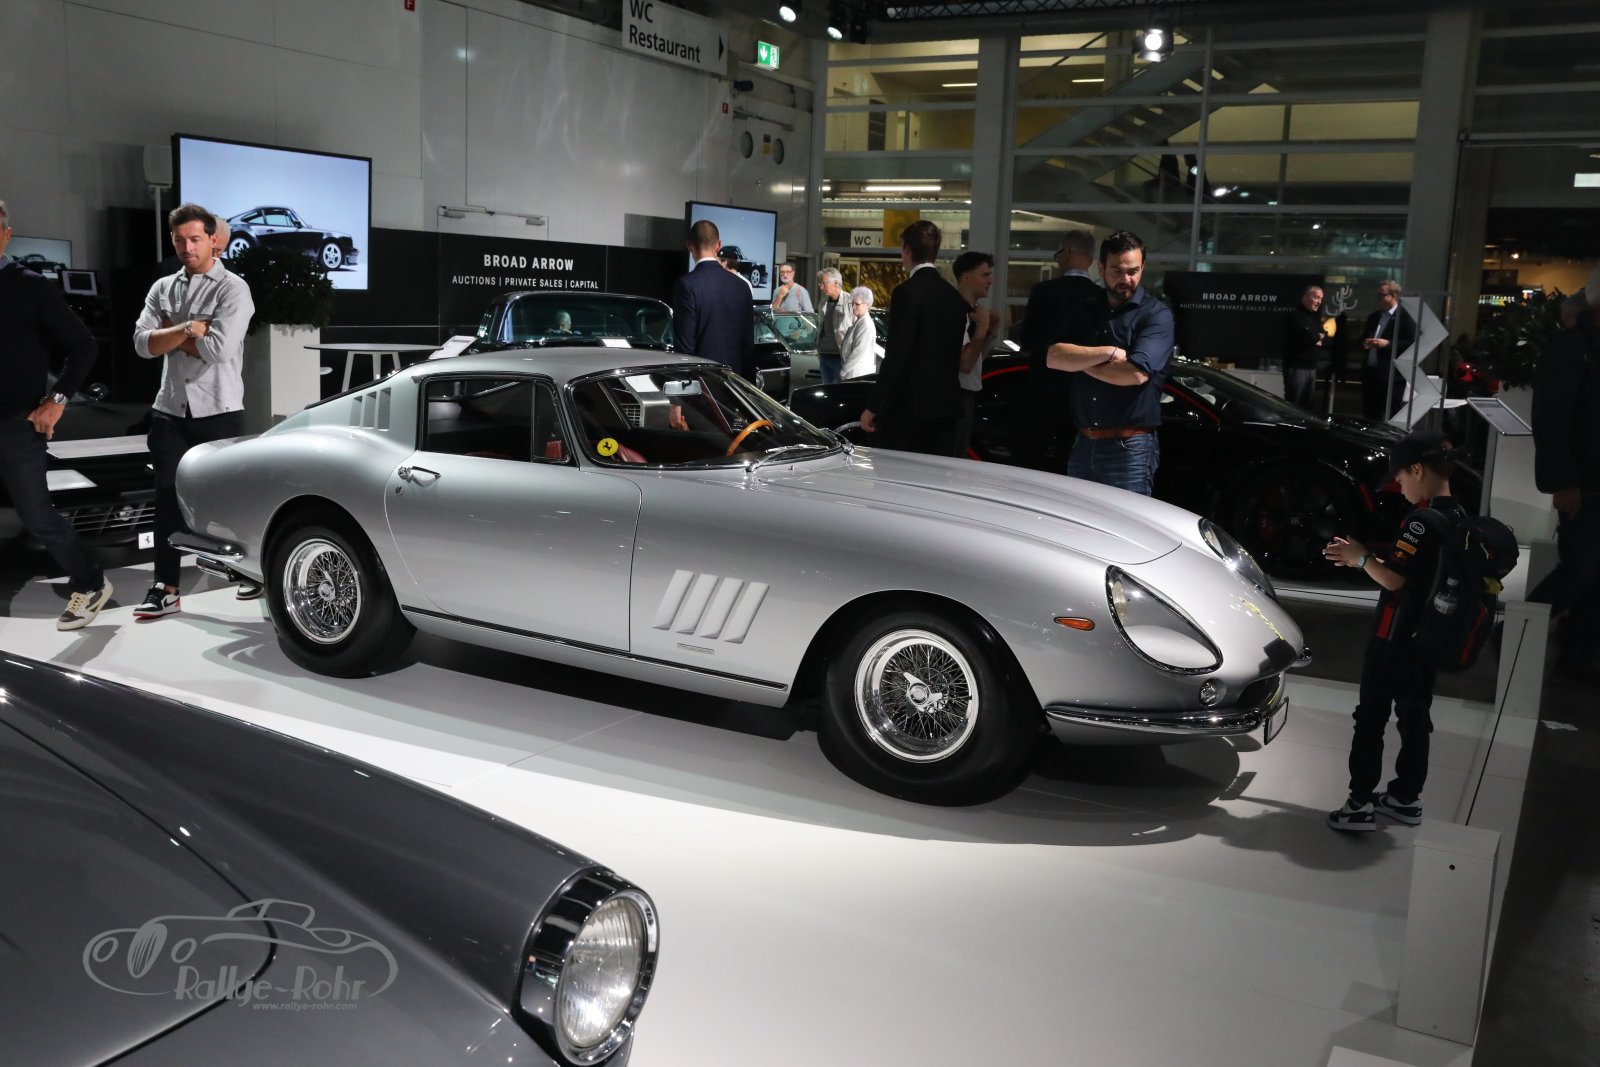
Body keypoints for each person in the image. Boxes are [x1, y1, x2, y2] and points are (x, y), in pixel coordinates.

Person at [1322, 429, 1463, 831]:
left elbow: (1395, 580)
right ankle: (1405, 797)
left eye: (1400, 478)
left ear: (1417, 470)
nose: (1399, 487)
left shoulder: (1419, 522)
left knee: (1371, 716)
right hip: (1428, 637)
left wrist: (1361, 558)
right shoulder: (1457, 516)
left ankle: (1359, 804)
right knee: (1415, 716)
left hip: (1393, 637)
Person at [132, 202, 256, 619]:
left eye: (195, 239)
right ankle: (165, 588)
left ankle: (249, 572)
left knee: (228, 500)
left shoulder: (233, 289)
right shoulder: (162, 288)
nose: (187, 247)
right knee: (167, 499)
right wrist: (188, 328)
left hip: (220, 409)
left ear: (213, 240)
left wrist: (166, 333)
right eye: (180, 240)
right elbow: (141, 344)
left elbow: (218, 349)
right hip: (169, 411)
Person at [0, 198, 115, 630]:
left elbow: (83, 346)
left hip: (16, 421)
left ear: (6, 236)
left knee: (37, 516)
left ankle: (91, 582)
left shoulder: (28, 286)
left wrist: (57, 400)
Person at [1045, 230, 1175, 495]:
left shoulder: (1156, 315)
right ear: (1101, 267)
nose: (1126, 279)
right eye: (1117, 270)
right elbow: (1053, 357)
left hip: (1130, 448)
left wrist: (1079, 361)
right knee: (1076, 521)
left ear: (1143, 267)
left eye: (1133, 271)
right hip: (1083, 442)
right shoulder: (1086, 309)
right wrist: (1108, 352)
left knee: (1126, 522)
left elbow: (1135, 374)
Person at [1530, 263, 1600, 680]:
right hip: (1585, 484)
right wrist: (1564, 482)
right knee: (1579, 570)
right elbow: (1552, 419)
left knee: (1591, 575)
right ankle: (1515, 634)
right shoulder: (1573, 348)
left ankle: (1576, 657)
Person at [859, 221, 968, 456]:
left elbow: (897, 356)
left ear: (907, 250)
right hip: (946, 408)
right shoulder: (953, 297)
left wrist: (873, 406)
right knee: (937, 475)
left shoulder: (906, 292)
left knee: (897, 475)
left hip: (908, 411)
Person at [1018, 230, 1100, 459]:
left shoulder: (1042, 292)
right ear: (1091, 260)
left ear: (1067, 253)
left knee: (1033, 455)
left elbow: (1027, 340)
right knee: (1071, 457)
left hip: (1043, 388)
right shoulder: (1101, 297)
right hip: (1083, 393)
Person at [672, 220, 754, 380]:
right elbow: (748, 346)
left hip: (703, 385)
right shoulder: (742, 286)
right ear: (718, 245)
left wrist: (682, 389)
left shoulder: (686, 285)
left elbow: (685, 349)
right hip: (737, 385)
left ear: (690, 246)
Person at [953, 250, 998, 457]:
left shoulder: (974, 313)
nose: (990, 280)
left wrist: (989, 332)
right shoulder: (957, 312)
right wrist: (983, 327)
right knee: (952, 460)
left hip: (966, 393)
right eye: (985, 275)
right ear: (967, 277)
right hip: (956, 396)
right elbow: (965, 364)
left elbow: (977, 359)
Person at [1359, 279, 1418, 421]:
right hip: (1371, 374)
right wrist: (1365, 343)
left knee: (1390, 415)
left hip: (1391, 377)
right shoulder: (1374, 317)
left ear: (1394, 295)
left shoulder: (1404, 317)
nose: (1378, 298)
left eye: (1382, 294)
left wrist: (1387, 344)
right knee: (1370, 415)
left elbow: (1411, 343)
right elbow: (1363, 337)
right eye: (1377, 295)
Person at [1282, 284, 1326, 410]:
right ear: (1305, 297)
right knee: (1293, 405)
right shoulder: (1295, 316)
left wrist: (1316, 337)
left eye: (1321, 299)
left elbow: (1324, 336)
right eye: (1316, 297)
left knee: (1306, 406)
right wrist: (1316, 337)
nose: (1319, 302)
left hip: (1312, 368)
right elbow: (1308, 336)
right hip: (1297, 368)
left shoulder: (1315, 318)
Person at [815, 268, 849, 385]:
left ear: (835, 282)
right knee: (826, 390)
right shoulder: (823, 301)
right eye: (820, 284)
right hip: (824, 353)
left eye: (824, 283)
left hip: (840, 355)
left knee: (840, 391)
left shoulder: (850, 302)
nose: (821, 287)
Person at [840, 286, 877, 380]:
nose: (853, 306)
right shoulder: (859, 321)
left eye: (857, 304)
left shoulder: (865, 324)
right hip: (854, 372)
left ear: (866, 305)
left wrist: (844, 370)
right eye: (852, 303)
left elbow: (858, 351)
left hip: (857, 373)